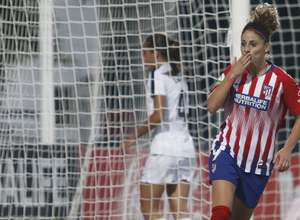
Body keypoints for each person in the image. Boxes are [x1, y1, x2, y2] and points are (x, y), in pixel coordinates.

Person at [207, 3, 300, 220]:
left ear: (266, 47)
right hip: (227, 150)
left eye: (253, 44)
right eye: (243, 44)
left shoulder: (282, 81)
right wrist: (231, 76)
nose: (247, 50)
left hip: (258, 163)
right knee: (220, 214)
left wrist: (287, 150)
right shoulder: (233, 72)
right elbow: (211, 107)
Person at [123, 33, 196, 220]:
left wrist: (133, 137)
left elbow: (158, 115)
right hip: (186, 149)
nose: (143, 57)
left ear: (156, 53)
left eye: (145, 52)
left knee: (149, 208)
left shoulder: (157, 74)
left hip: (165, 148)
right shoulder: (179, 74)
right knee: (180, 210)